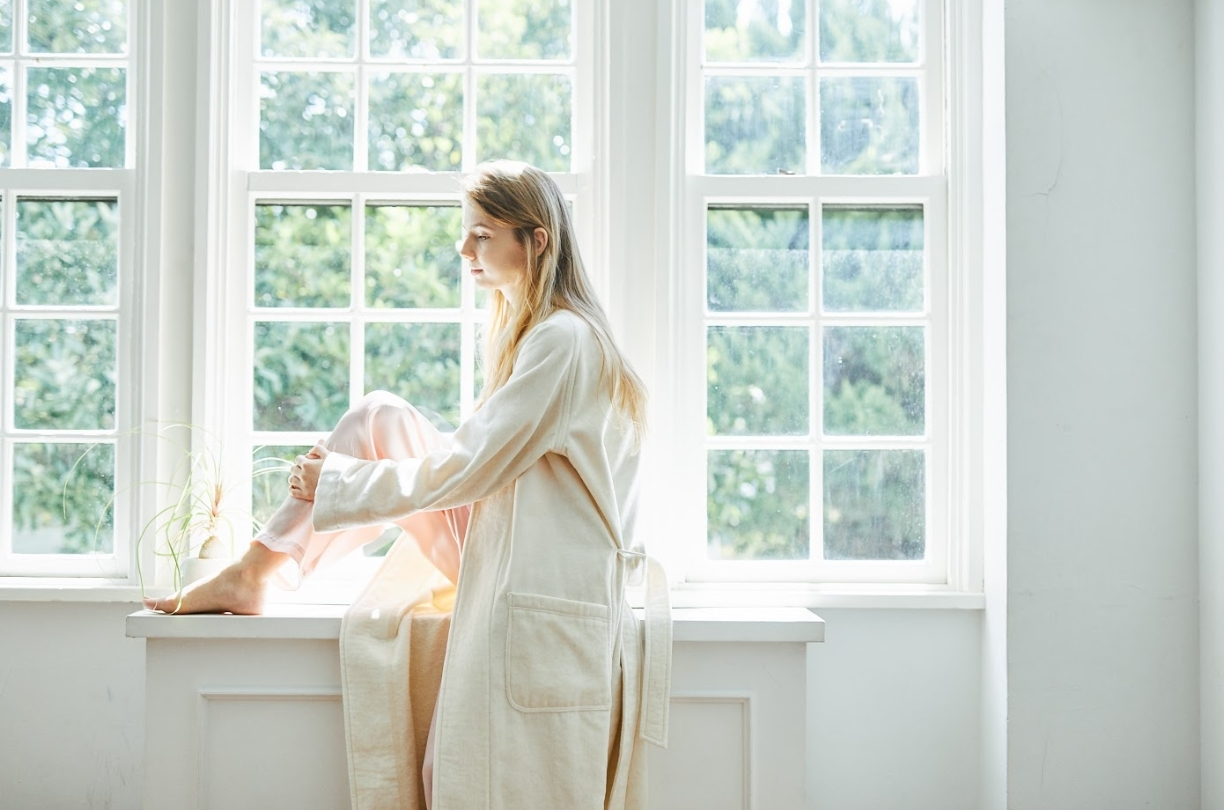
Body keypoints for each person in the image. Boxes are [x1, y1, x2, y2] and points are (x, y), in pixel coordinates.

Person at [143, 160, 671, 810]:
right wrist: (342, 480)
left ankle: (255, 570)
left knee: (455, 782)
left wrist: (340, 483)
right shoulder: (540, 337)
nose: (463, 249)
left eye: (481, 234)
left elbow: (468, 467)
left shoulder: (563, 342)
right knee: (378, 416)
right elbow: (476, 467)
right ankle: (256, 569)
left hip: (546, 596)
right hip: (517, 570)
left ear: (536, 241)